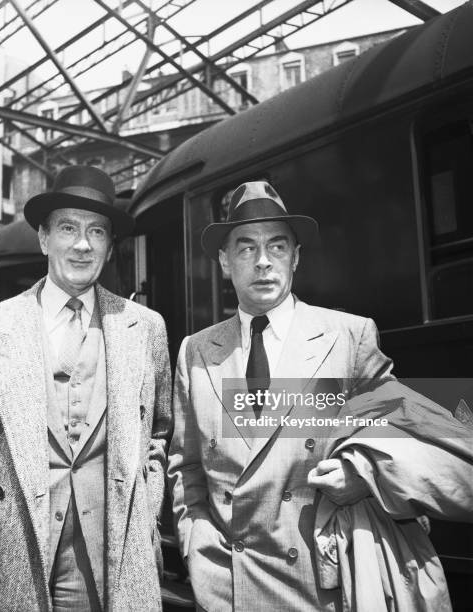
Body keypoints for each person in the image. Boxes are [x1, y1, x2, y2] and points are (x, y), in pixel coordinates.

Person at [167, 180, 473, 611]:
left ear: (296, 257)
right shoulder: (196, 351)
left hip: (319, 586)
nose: (263, 263)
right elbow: (187, 467)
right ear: (223, 260)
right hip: (228, 588)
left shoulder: (347, 337)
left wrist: (363, 474)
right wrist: (197, 549)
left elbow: (421, 429)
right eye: (246, 248)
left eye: (277, 247)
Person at [0, 166, 172, 611]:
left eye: (97, 231)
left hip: (110, 561)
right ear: (44, 239)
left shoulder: (145, 329)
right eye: (68, 228)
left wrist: (144, 514)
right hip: (5, 557)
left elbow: (158, 434)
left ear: (110, 247)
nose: (82, 244)